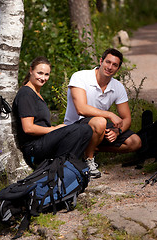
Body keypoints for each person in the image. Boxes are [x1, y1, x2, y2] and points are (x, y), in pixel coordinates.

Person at [64, 48, 142, 178]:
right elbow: (81, 109)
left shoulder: (117, 86)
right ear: (101, 61)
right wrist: (110, 114)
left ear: (118, 69)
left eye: (114, 65)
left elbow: (126, 118)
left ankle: (90, 148)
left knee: (135, 142)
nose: (110, 67)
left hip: (98, 128)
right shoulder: (80, 77)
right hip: (75, 127)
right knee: (101, 121)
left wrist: (117, 132)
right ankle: (88, 160)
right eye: (108, 62)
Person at [13, 56, 93, 168]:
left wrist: (57, 129)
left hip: (44, 141)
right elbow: (28, 128)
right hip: (33, 147)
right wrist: (54, 129)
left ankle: (66, 165)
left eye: (46, 74)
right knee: (80, 129)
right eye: (39, 73)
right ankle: (59, 167)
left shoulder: (36, 94)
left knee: (86, 128)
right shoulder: (26, 94)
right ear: (31, 70)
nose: (43, 78)